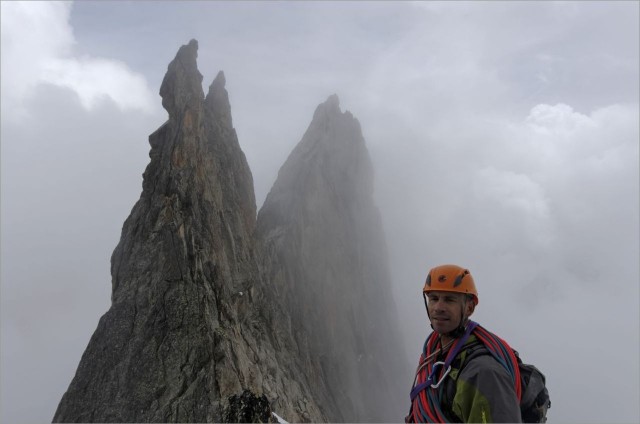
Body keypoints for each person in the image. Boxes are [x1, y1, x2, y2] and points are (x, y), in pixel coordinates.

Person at [405, 264, 522, 423]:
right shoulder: (434, 352)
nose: (439, 307)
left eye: (449, 300)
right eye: (433, 298)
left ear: (469, 307)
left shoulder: (483, 373)